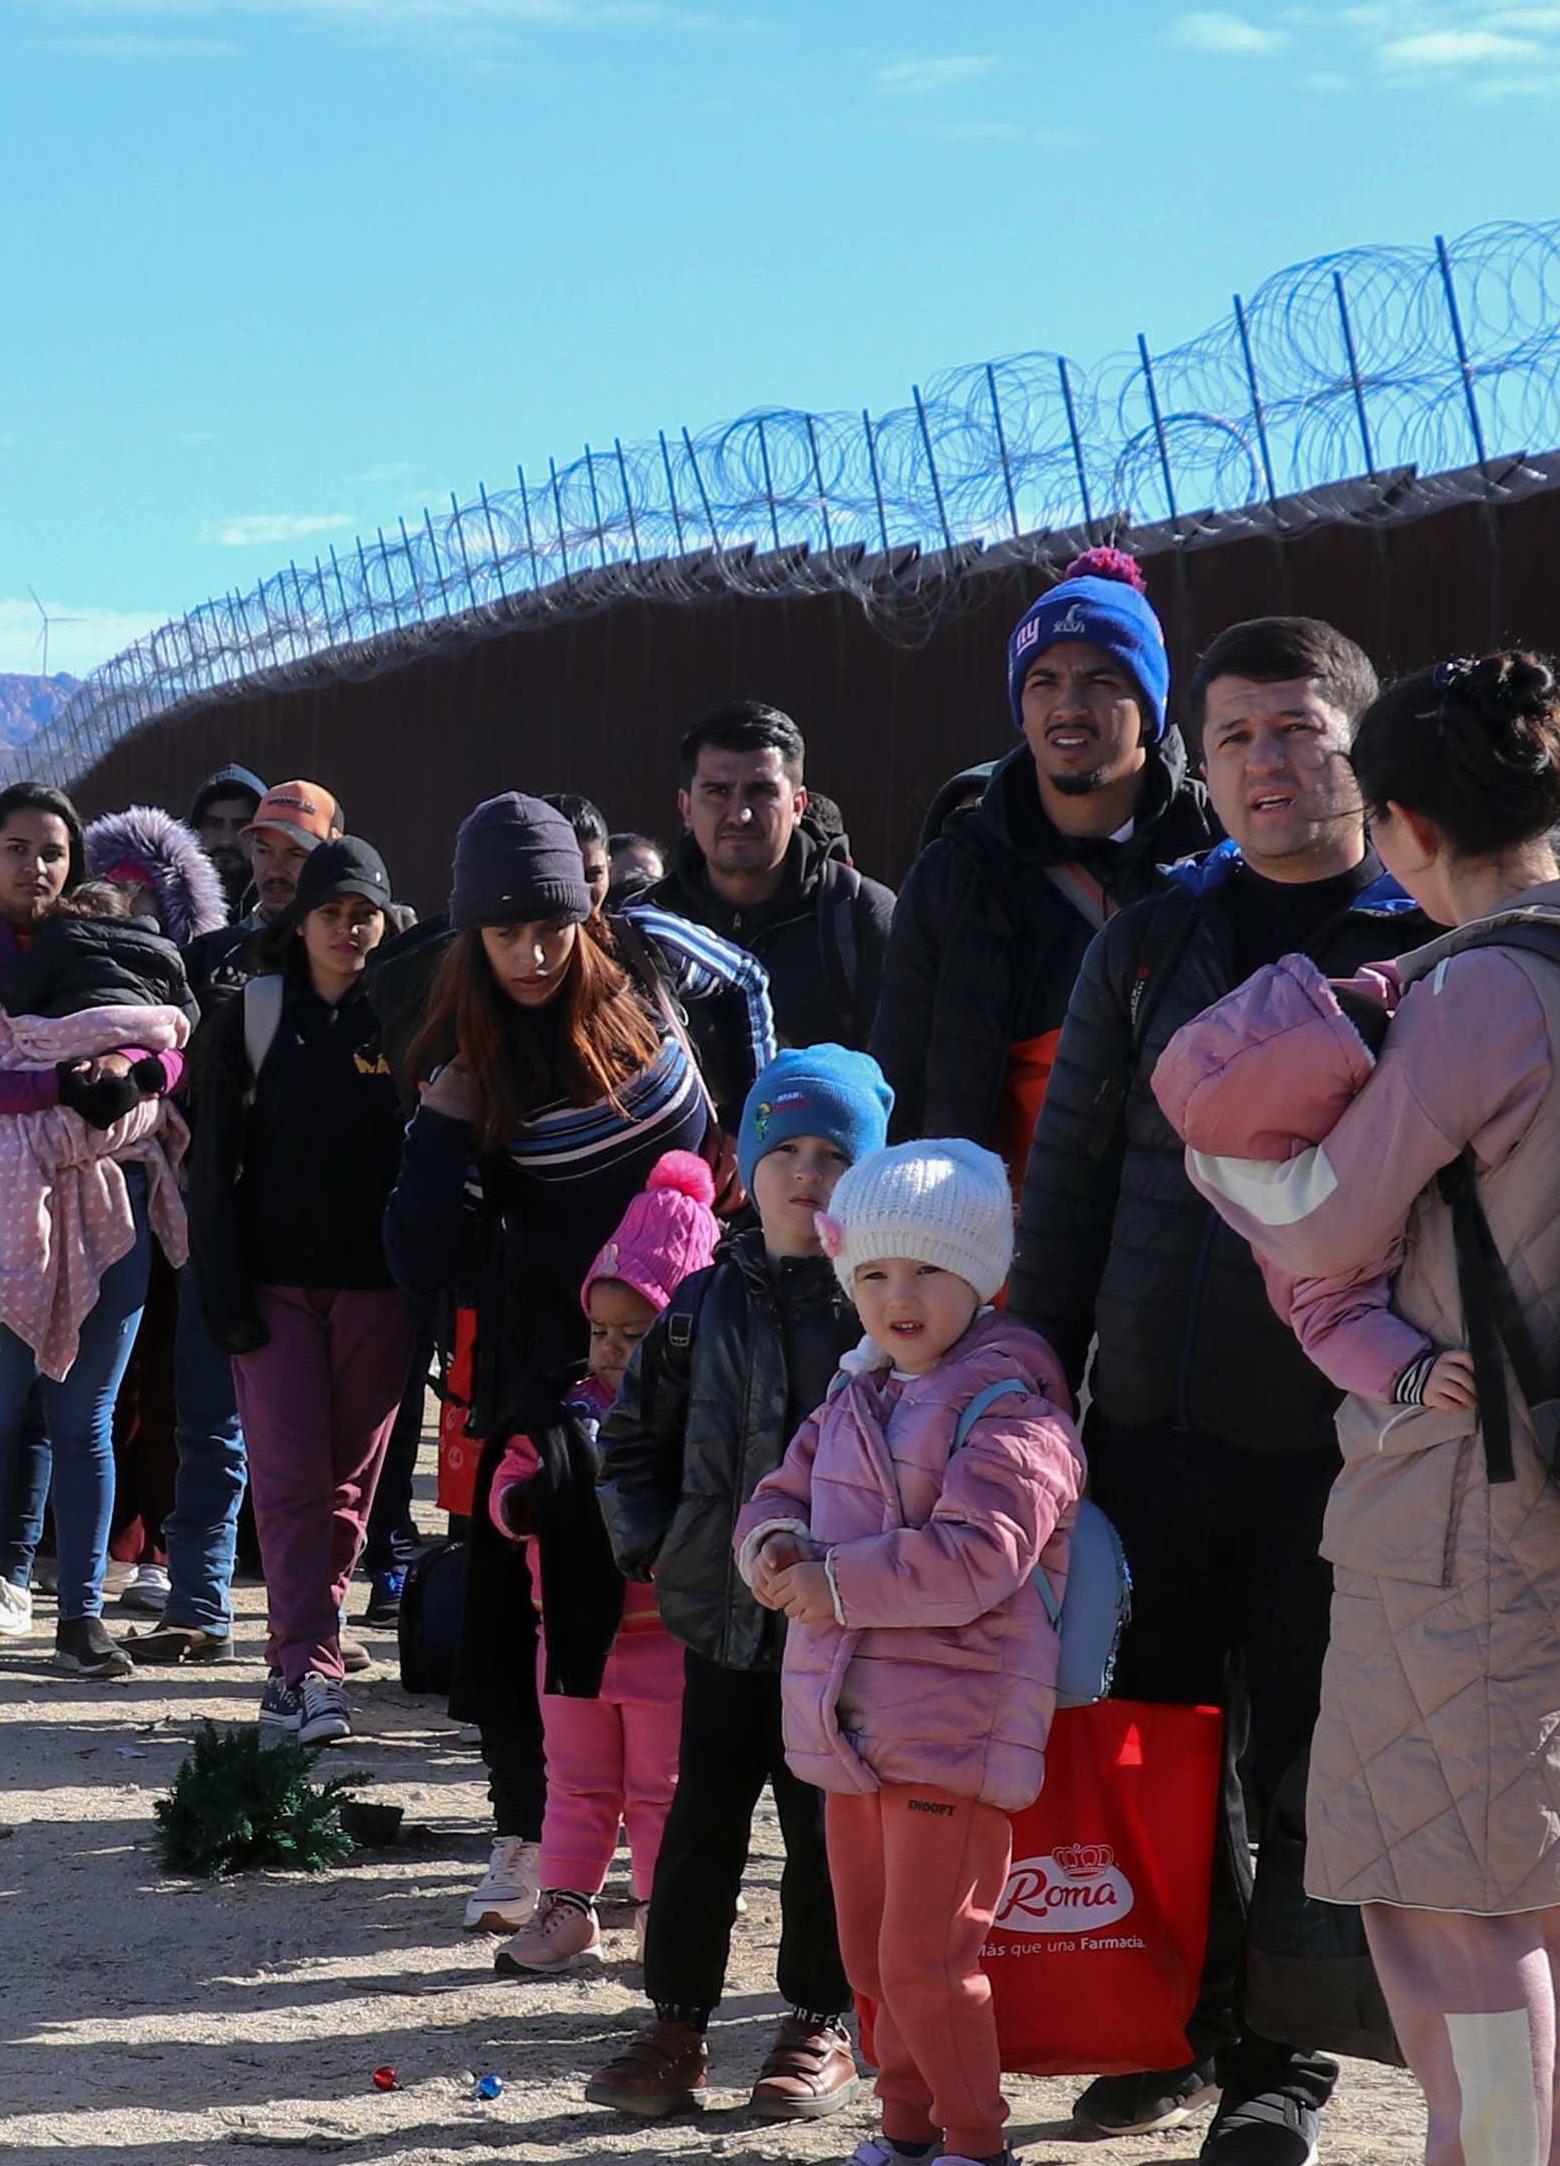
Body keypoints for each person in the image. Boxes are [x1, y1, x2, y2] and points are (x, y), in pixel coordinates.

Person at [1154, 650, 1560, 2166]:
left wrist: (1245, 1186)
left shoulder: (1484, 994)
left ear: (1404, 826)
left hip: (1468, 1487)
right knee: (1549, 1880)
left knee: (1435, 1889)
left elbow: (1333, 1222)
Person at [1003, 612, 1439, 2166]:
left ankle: (1283, 2057)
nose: (1264, 764)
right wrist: (1030, 1378)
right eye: (1236, 735)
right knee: (1150, 1735)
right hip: (1156, 1424)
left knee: (1312, 1751)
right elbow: (1065, 1187)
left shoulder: (1424, 946)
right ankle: (1168, 2020)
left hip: (1343, 1435)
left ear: (1357, 750)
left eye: (1297, 730)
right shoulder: (1149, 937)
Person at [389, 794, 771, 1930]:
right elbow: (423, 1254)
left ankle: (683, 1841)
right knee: (530, 1610)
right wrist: (446, 1129)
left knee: (686, 1604)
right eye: (507, 931)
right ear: (474, 935)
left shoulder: (652, 979)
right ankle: (526, 1838)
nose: (534, 951)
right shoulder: (458, 1049)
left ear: (589, 907)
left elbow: (756, 1010)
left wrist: (754, 1138)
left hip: (693, 1359)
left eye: (552, 922)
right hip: (550, 1373)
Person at [744, 1140, 1087, 2166]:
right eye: (877, 1274)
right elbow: (781, 1491)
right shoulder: (856, 1389)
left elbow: (983, 1553)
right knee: (867, 1952)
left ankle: (981, 2159)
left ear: (982, 1277)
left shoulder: (1013, 1403)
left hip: (955, 1720)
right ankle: (903, 2137)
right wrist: (775, 1542)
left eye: (928, 1274)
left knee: (930, 1956)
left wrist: (831, 1583)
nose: (899, 1298)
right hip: (851, 1719)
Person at [592, 1045, 884, 2120]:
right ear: (745, 1164)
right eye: (786, 1149)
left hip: (843, 1628)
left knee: (824, 1830)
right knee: (700, 1822)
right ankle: (676, 2021)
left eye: (835, 1153)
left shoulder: (881, 1307)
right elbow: (629, 1442)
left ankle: (819, 2018)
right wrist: (657, 1548)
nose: (808, 1172)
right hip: (719, 1621)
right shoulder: (694, 1307)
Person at [0, 786, 188, 1673]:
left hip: (110, 1195)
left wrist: (131, 1068)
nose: (37, 866)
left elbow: (175, 1041)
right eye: (18, 849)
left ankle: (80, 1618)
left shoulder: (111, 943)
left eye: (53, 852)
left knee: (88, 1420)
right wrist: (59, 1088)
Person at [185, 830, 419, 1746]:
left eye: (365, 914)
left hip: (380, 1292)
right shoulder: (253, 1012)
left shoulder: (408, 1020)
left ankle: (298, 1663)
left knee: (347, 1492)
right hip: (275, 1288)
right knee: (286, 1484)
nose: (349, 930)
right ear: (301, 917)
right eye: (332, 911)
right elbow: (214, 1168)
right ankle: (308, 1670)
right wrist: (222, 1292)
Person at [877, 548, 1208, 1158]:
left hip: (1177, 1219)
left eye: (1101, 681)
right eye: (1043, 681)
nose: (1068, 706)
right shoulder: (958, 870)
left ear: (1150, 708)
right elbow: (900, 1076)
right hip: (992, 1227)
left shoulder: (1212, 848)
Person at [494, 1155, 716, 1973]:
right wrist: (520, 1504)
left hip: (666, 1636)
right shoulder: (561, 1413)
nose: (612, 1350)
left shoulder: (699, 1424)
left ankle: (664, 1909)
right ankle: (568, 1905)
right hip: (576, 1635)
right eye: (600, 1331)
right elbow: (515, 1474)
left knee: (663, 1788)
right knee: (577, 1783)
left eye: (636, 1333)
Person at [81, 805, 246, 1659]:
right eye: (115, 891)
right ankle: (135, 1559)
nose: (132, 908)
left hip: (200, 1208)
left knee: (193, 1398)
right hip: (115, 1195)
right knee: (121, 1385)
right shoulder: (74, 978)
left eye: (149, 896)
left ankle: (176, 1571)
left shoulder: (218, 977)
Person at [653, 702, 897, 1056]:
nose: (739, 815)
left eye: (762, 791)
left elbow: (896, 1077)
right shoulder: (646, 926)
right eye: (717, 792)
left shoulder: (861, 918)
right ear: (686, 806)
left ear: (798, 805)